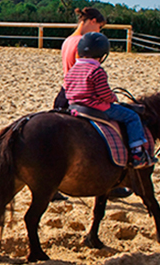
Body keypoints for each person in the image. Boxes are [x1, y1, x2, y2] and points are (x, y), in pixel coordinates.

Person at [64, 32, 155, 169]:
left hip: (75, 107)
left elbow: (68, 89)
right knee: (132, 117)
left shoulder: (72, 70)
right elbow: (104, 94)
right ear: (102, 55)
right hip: (96, 107)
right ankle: (137, 153)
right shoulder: (96, 70)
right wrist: (113, 97)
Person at [54, 7, 106, 110]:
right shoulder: (82, 43)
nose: (98, 31)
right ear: (93, 21)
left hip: (64, 91)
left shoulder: (68, 40)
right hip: (77, 95)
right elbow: (83, 73)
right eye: (99, 27)